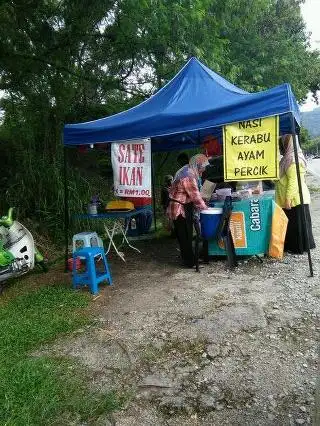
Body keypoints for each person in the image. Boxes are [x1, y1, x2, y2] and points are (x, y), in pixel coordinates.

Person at [275, 134, 315, 254]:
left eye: (285, 142)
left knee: (297, 225)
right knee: (293, 224)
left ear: (291, 144)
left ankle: (299, 248)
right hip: (289, 198)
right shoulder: (286, 158)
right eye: (283, 142)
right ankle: (296, 246)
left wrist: (288, 198)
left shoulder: (294, 159)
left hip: (295, 198)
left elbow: (294, 181)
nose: (282, 145)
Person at [167, 154, 208, 267]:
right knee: (185, 236)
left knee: (185, 235)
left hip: (181, 206)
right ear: (198, 165)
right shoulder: (188, 175)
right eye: (202, 167)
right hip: (180, 209)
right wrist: (205, 208)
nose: (203, 170)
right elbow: (195, 196)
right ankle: (189, 262)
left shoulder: (187, 169)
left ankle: (189, 259)